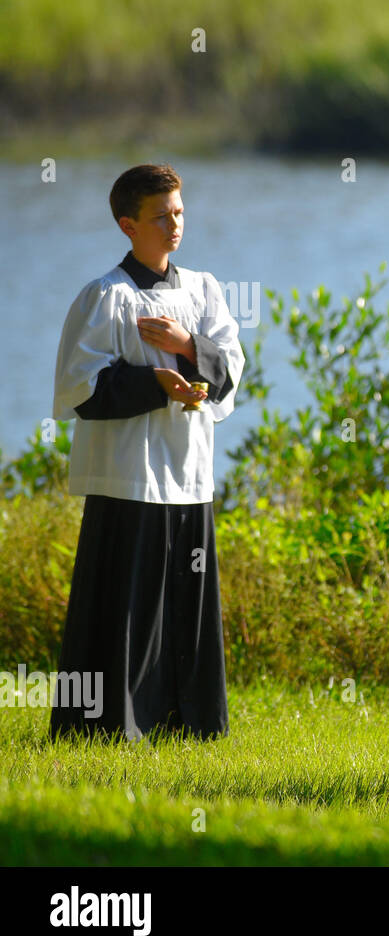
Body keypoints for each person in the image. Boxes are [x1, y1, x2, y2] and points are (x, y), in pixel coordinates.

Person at [50, 163, 244, 740]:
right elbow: (79, 391)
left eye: (179, 211)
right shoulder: (106, 297)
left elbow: (231, 371)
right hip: (127, 477)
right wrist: (154, 385)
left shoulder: (204, 289)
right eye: (161, 216)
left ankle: (189, 722)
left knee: (187, 601)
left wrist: (189, 348)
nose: (174, 224)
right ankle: (104, 725)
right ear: (128, 224)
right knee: (121, 606)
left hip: (188, 473)